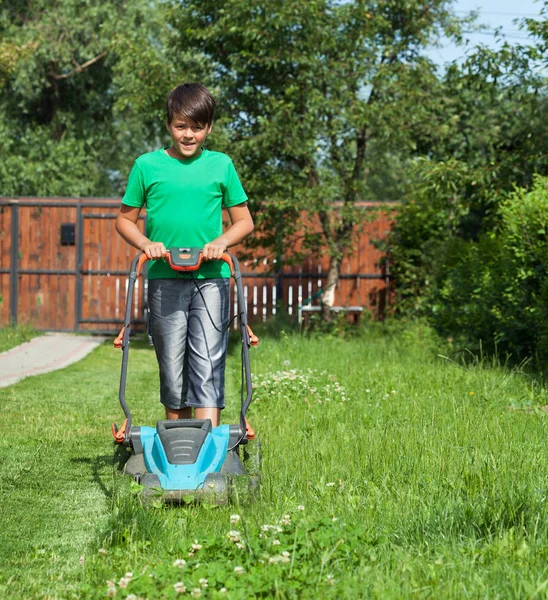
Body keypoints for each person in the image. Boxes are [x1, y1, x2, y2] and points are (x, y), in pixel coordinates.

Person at [115, 83, 254, 427]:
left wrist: (221, 242)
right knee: (172, 366)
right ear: (168, 125)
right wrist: (146, 243)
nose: (188, 135)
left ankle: (208, 450)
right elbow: (124, 220)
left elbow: (244, 221)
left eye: (197, 127)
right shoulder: (147, 166)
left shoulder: (221, 165)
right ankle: (179, 447)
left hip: (211, 280)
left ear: (208, 128)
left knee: (208, 362)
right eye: (181, 126)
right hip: (164, 279)